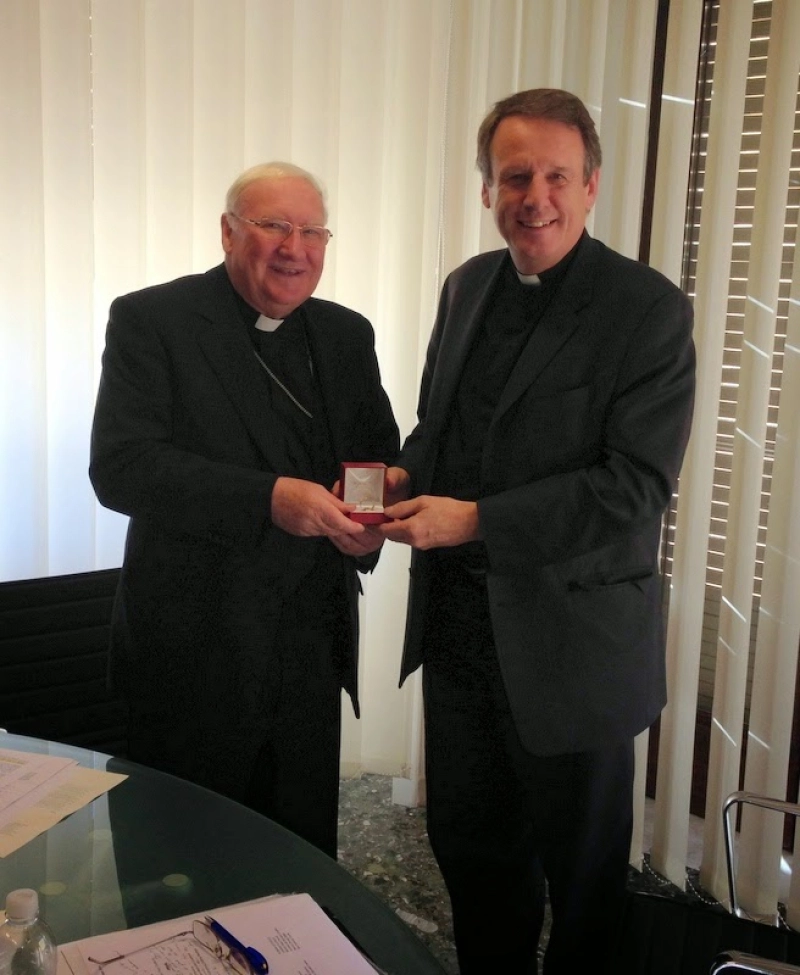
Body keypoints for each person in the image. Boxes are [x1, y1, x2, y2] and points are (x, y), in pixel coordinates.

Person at [376, 89, 696, 972]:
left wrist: (476, 519)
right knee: (476, 863)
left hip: (576, 649)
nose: (535, 196)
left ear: (592, 187)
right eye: (515, 175)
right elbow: (439, 425)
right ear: (487, 189)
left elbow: (635, 487)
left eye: (557, 175)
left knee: (585, 885)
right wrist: (404, 474)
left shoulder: (649, 310)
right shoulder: (466, 286)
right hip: (462, 639)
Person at [89, 162, 399, 858]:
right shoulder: (152, 320)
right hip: (192, 660)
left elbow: (378, 455)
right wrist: (268, 500)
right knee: (178, 871)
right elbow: (122, 468)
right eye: (273, 226)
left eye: (312, 230)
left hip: (309, 661)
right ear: (229, 232)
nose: (295, 247)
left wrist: (368, 525)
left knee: (299, 868)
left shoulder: (347, 335)